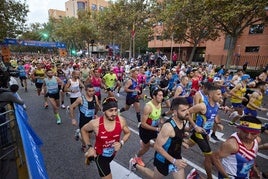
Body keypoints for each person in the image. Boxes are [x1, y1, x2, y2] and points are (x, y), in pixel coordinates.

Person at [129, 97, 189, 179]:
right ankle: (134, 164)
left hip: (176, 156)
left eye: (187, 109)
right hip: (163, 159)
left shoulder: (184, 120)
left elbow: (176, 136)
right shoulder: (168, 127)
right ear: (175, 112)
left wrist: (182, 142)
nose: (187, 112)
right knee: (155, 177)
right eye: (183, 110)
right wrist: (174, 161)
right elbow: (157, 147)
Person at [81, 97, 131, 179]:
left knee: (105, 160)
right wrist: (89, 147)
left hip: (112, 154)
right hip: (100, 157)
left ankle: (89, 157)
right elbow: (83, 130)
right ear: (104, 111)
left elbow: (128, 132)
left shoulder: (121, 121)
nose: (114, 113)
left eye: (115, 110)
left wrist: (121, 143)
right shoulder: (95, 124)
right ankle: (91, 156)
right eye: (110, 110)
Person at [186, 84, 223, 179]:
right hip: (199, 133)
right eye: (218, 94)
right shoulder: (203, 106)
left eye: (221, 94)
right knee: (209, 157)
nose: (221, 96)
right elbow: (187, 113)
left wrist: (217, 124)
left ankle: (172, 141)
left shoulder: (216, 105)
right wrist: (195, 126)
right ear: (211, 95)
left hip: (205, 132)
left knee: (187, 144)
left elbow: (211, 117)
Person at [133, 88, 164, 167]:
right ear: (154, 96)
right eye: (159, 95)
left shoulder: (159, 103)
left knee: (160, 143)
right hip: (145, 130)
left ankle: (145, 143)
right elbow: (143, 124)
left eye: (162, 95)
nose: (162, 97)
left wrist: (160, 119)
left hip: (154, 128)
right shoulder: (148, 107)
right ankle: (137, 158)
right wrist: (157, 129)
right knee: (146, 148)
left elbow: (158, 114)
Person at [69, 84, 101, 150]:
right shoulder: (81, 99)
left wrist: (96, 113)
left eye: (93, 91)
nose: (92, 93)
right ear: (86, 91)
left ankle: (79, 134)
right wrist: (73, 119)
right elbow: (71, 107)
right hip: (83, 120)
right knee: (85, 137)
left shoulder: (95, 97)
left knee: (88, 137)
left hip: (91, 120)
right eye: (89, 91)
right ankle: (83, 145)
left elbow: (97, 106)